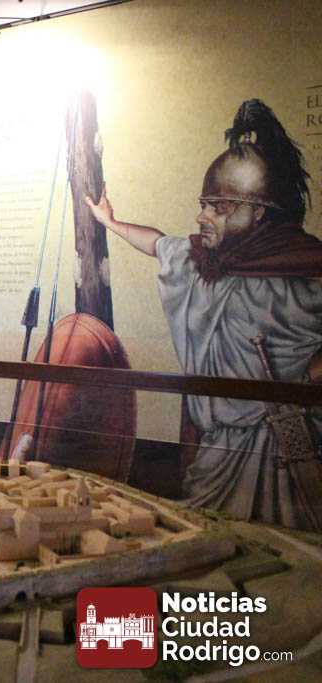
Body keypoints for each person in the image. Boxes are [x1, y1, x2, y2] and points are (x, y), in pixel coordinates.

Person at [84, 99, 322, 529]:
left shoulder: (302, 272)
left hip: (280, 447)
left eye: (219, 206)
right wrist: (110, 223)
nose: (203, 216)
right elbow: (158, 243)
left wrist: (308, 376)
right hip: (219, 449)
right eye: (204, 203)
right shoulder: (203, 262)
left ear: (258, 212)